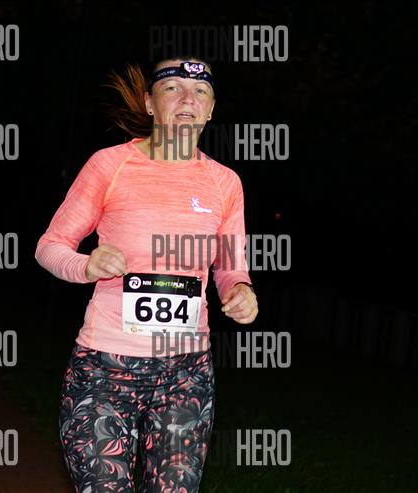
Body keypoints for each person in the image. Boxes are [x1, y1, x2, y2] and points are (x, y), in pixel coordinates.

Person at [35, 57, 258, 493]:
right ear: (150, 103)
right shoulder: (109, 165)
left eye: (200, 91)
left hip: (185, 372)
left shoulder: (225, 182)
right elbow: (50, 246)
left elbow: (231, 266)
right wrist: (86, 265)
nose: (188, 98)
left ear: (211, 110)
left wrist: (241, 290)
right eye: (173, 88)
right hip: (105, 367)